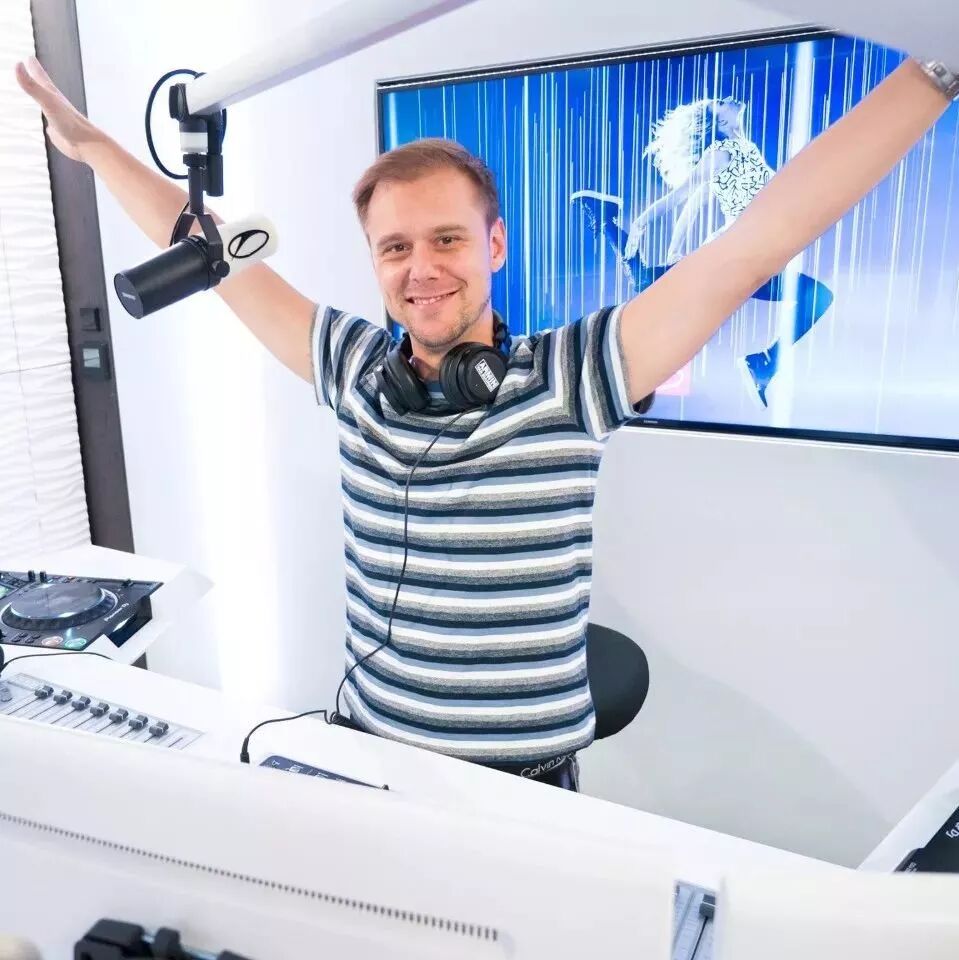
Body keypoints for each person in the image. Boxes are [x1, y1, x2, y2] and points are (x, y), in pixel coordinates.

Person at [15, 53, 956, 791]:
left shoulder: (573, 375)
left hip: (524, 788)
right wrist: (92, 147)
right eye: (395, 247)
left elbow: (756, 243)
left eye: (447, 239)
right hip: (368, 763)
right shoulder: (351, 367)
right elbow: (205, 249)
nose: (421, 268)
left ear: (495, 244)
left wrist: (935, 69)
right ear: (374, 262)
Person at [572, 95, 835, 407]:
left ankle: (764, 364)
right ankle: (605, 219)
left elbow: (694, 206)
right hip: (733, 257)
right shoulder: (722, 153)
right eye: (720, 103)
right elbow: (682, 196)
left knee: (816, 297)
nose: (728, 98)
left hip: (754, 260)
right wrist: (641, 223)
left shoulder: (743, 148)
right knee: (647, 287)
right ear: (720, 122)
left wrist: (675, 249)